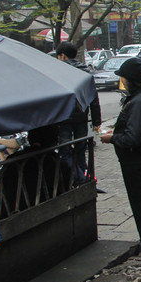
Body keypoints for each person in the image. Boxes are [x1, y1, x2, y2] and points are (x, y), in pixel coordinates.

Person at [99, 57, 141, 242]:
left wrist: (112, 138)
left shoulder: (139, 102)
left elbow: (132, 138)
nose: (122, 81)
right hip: (135, 158)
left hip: (135, 158)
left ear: (131, 79)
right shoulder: (139, 98)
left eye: (123, 78)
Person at [55, 42, 102, 185]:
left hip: (65, 118)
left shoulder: (59, 71)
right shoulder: (85, 72)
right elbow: (93, 97)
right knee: (80, 149)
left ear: (62, 56)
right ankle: (83, 177)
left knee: (65, 150)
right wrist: (96, 121)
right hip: (82, 117)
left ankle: (79, 177)